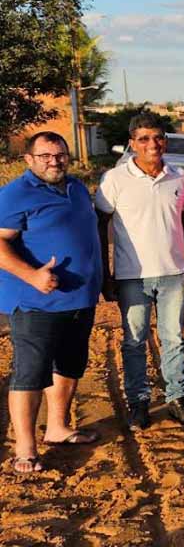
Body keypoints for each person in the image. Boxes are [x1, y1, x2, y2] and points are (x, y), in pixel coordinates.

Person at [0, 132, 102, 473]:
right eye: (45, 155)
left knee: (70, 365)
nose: (54, 161)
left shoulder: (75, 188)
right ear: (29, 159)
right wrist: (31, 276)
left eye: (60, 155)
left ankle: (57, 428)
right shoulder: (16, 193)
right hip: (34, 302)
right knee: (30, 373)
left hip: (78, 298)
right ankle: (25, 449)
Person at [95, 115, 184, 430]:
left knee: (173, 338)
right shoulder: (114, 180)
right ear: (132, 143)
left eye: (157, 137)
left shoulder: (179, 177)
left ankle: (177, 398)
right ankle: (139, 403)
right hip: (131, 277)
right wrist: (106, 274)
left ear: (164, 140)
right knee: (134, 341)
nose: (152, 144)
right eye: (143, 139)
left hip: (173, 274)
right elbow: (101, 226)